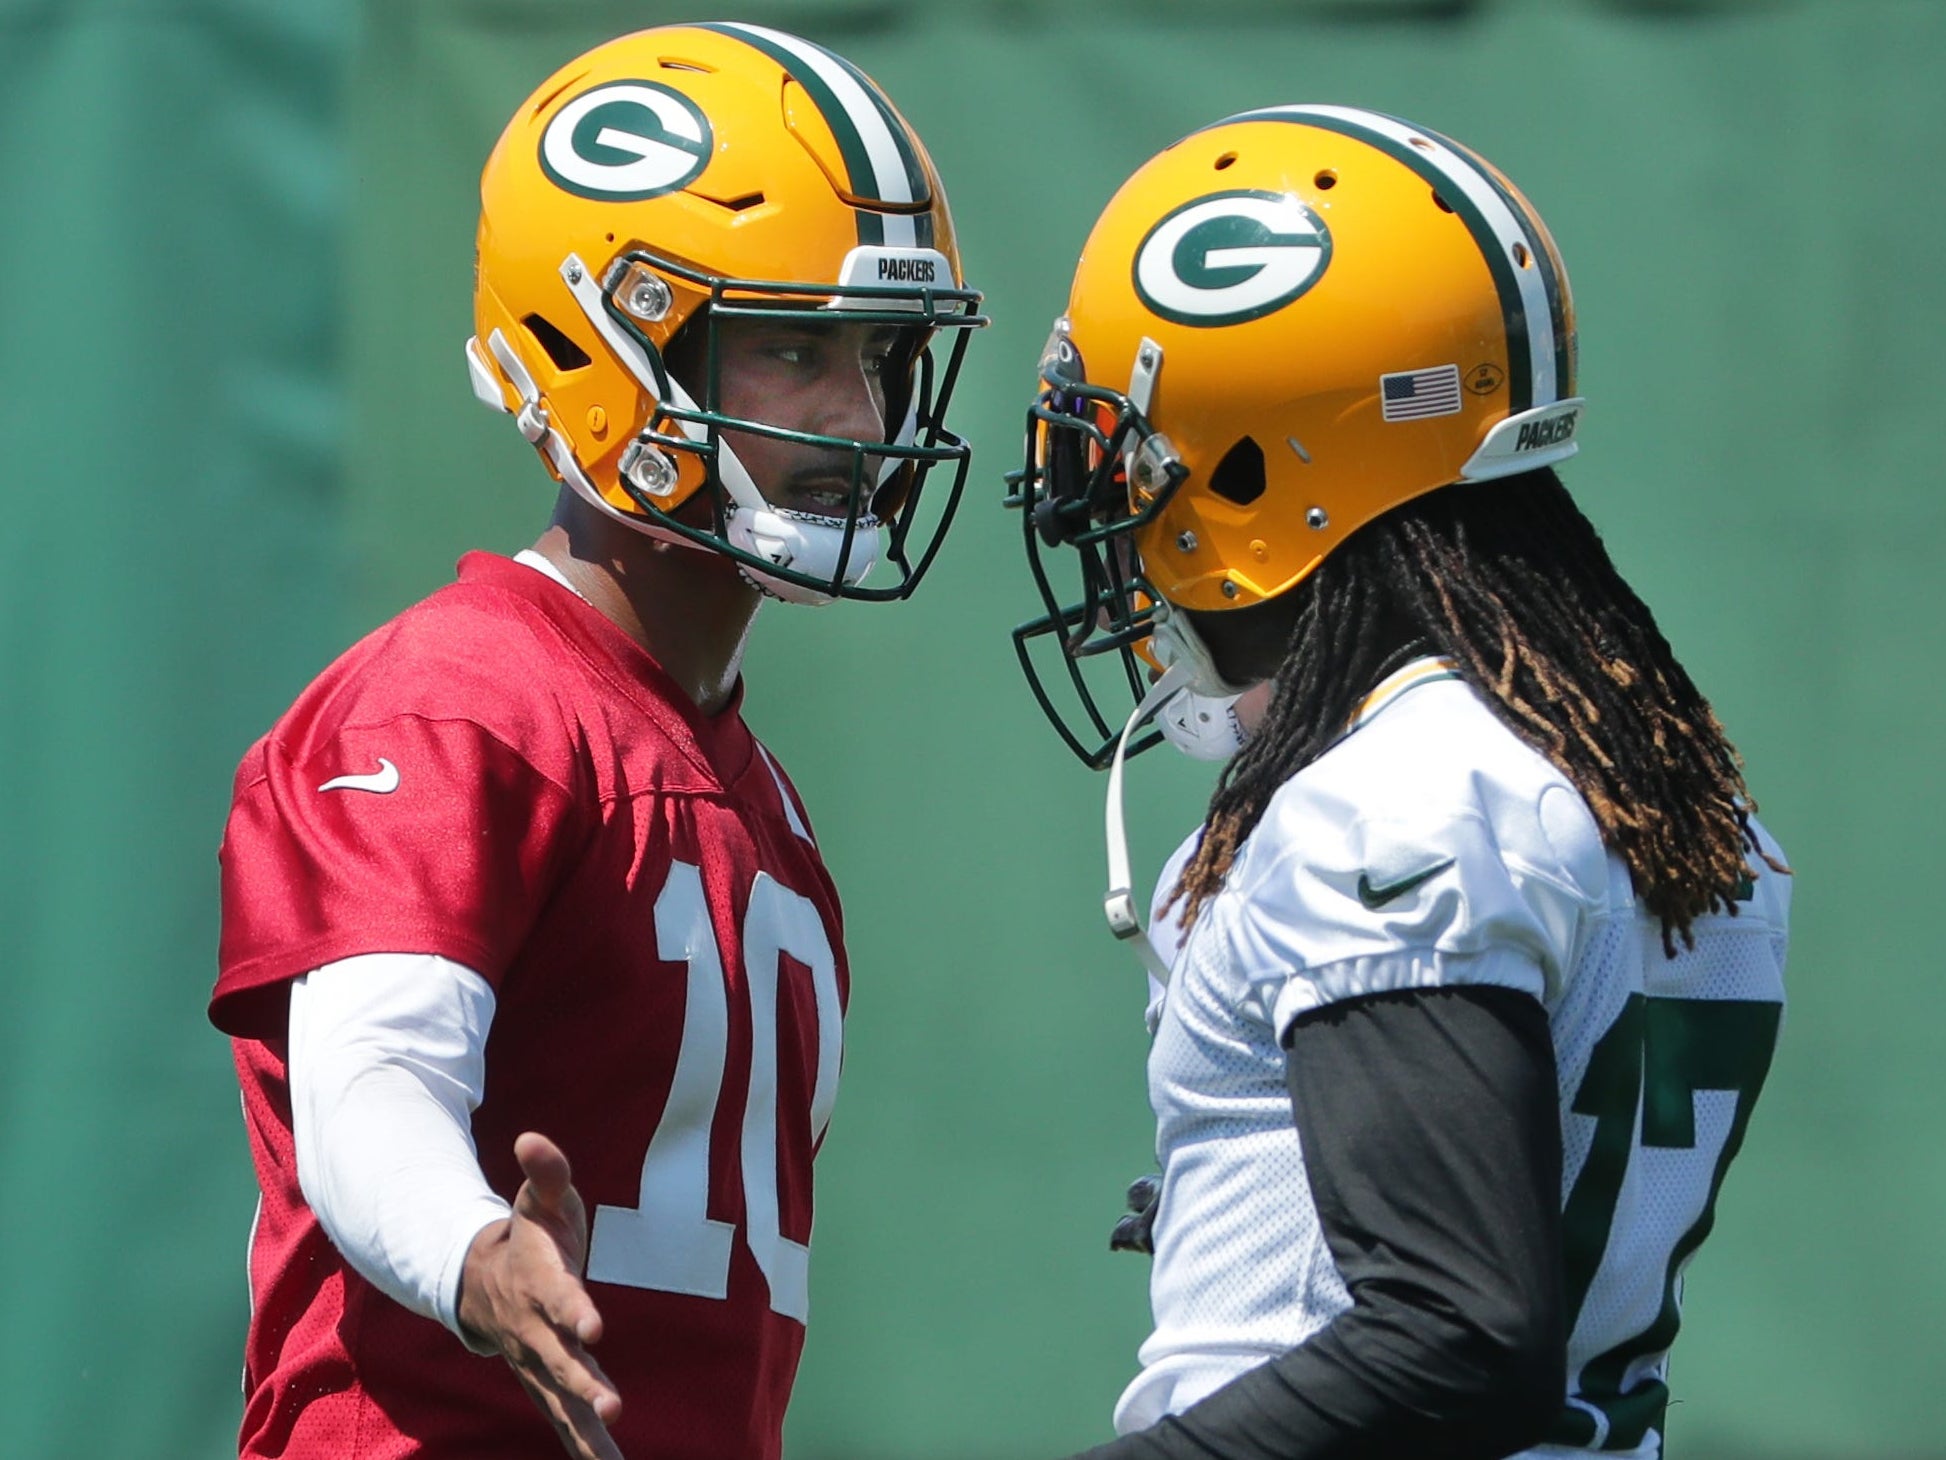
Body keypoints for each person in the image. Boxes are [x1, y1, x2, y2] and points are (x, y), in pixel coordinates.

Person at [209, 22, 983, 1460]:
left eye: (876, 355)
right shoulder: (456, 707)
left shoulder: (748, 788)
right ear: (599, 348)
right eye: (794, 350)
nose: (860, 418)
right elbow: (371, 1083)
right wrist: (471, 1253)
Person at [1008, 104, 1788, 1460]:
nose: (1107, 500)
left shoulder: (1403, 797)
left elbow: (1452, 1328)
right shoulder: (1631, 776)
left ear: (1247, 459)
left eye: (1124, 447)